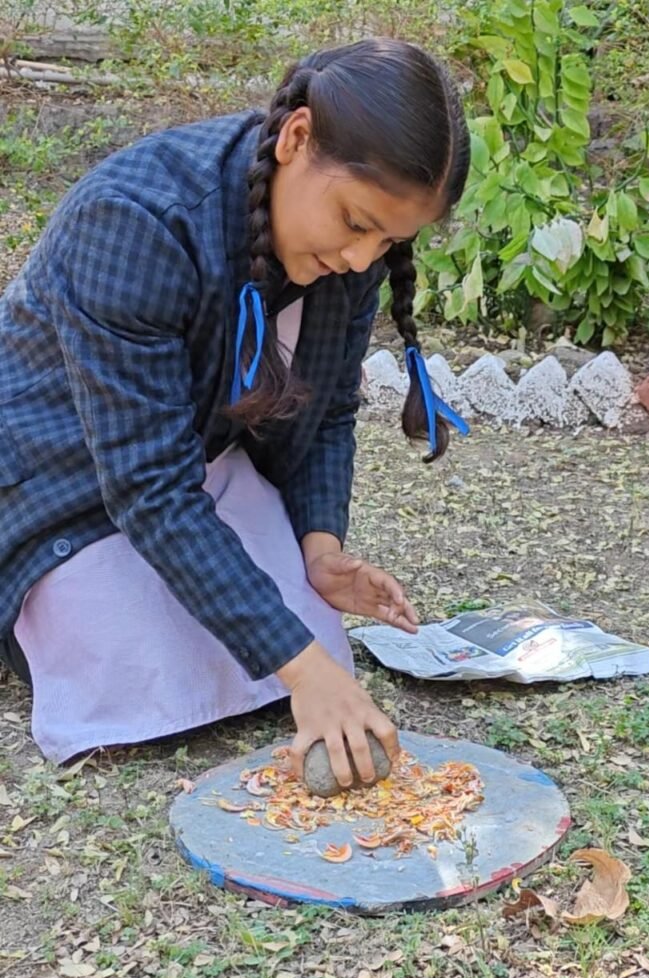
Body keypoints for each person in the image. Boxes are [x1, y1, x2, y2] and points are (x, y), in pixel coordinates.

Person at [0, 37, 470, 788]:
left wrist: (320, 551)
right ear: (296, 139)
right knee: (146, 682)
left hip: (196, 464)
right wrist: (303, 670)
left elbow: (330, 411)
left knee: (300, 636)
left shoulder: (351, 256)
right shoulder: (134, 220)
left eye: (389, 240)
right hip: (57, 479)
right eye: (355, 224)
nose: (361, 260)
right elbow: (149, 487)